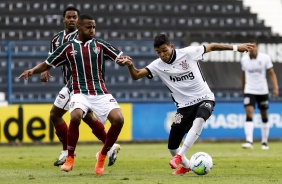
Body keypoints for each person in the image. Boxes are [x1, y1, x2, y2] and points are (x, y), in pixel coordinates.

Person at [118, 33, 254, 175]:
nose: (162, 55)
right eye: (158, 52)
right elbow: (137, 75)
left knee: (201, 117)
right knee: (172, 146)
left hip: (204, 97)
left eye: (165, 50)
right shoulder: (157, 65)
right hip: (183, 107)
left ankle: (179, 156)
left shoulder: (189, 53)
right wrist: (130, 65)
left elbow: (212, 46)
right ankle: (187, 165)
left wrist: (236, 47)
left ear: (172, 47)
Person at [19, 14, 126, 175]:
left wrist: (125, 60)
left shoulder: (100, 44)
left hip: (99, 91)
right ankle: (69, 157)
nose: (92, 30)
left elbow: (119, 56)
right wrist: (32, 70)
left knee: (119, 119)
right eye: (89, 27)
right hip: (78, 91)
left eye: (94, 27)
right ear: (80, 28)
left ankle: (103, 154)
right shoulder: (67, 47)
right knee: (75, 116)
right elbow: (48, 63)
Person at [41, 6, 121, 167]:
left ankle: (68, 152)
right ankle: (109, 146)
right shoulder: (56, 40)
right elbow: (51, 59)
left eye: (74, 17)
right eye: (69, 17)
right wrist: (45, 70)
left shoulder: (83, 35)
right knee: (84, 118)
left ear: (78, 21)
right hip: (70, 84)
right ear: (64, 19)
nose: (72, 19)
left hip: (77, 85)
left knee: (59, 114)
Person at [240, 40, 279, 150]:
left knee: (264, 114)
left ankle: (264, 142)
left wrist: (275, 87)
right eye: (250, 47)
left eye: (254, 47)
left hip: (262, 90)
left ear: (257, 47)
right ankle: (249, 141)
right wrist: (243, 88)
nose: (252, 49)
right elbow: (243, 75)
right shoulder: (244, 60)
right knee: (249, 112)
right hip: (249, 90)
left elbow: (271, 73)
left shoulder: (265, 58)